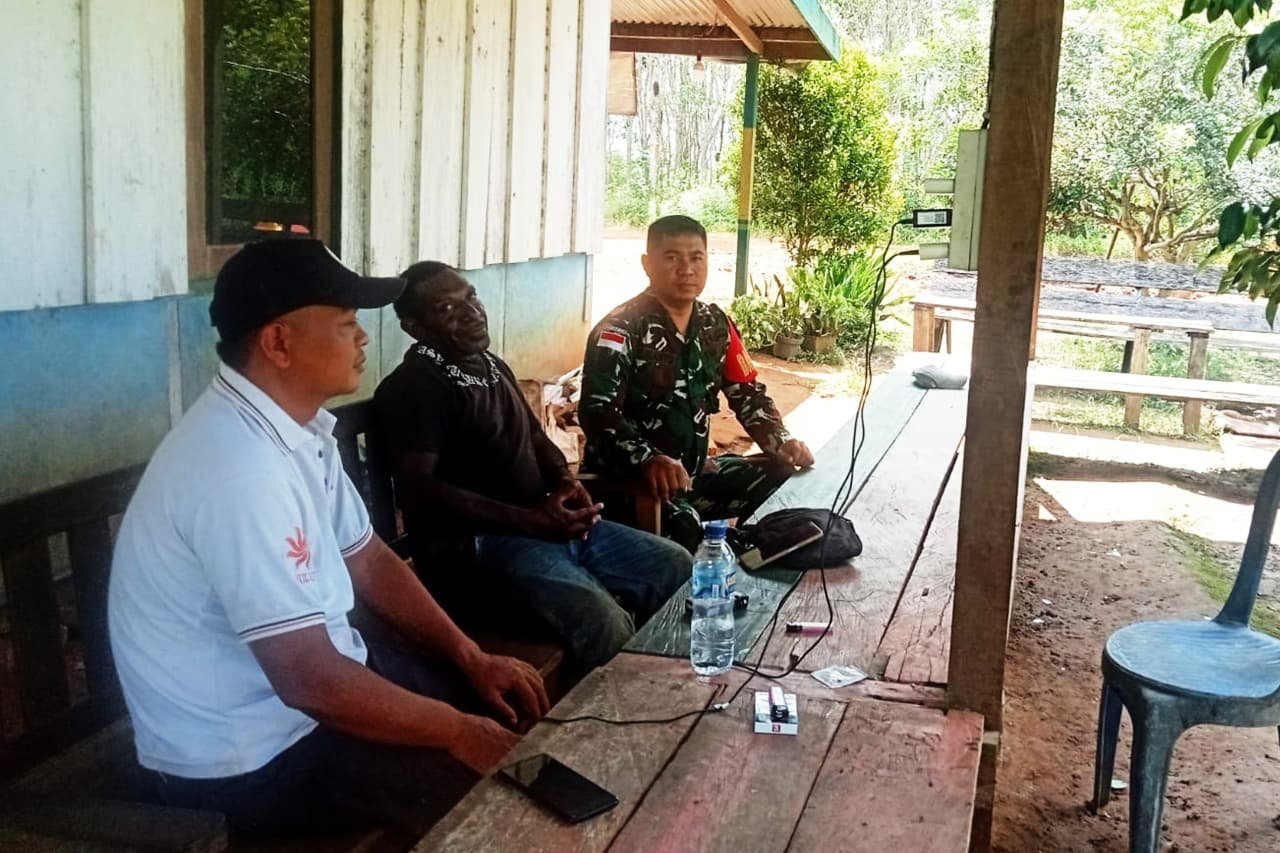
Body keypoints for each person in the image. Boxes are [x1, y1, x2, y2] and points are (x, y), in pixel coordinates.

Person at [108, 240, 549, 839]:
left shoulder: (295, 430)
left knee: (501, 716)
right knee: (499, 805)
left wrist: (469, 655)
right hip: (249, 758)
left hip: (312, 698)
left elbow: (367, 558)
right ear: (278, 342)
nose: (363, 336)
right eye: (345, 322)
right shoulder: (235, 469)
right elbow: (309, 680)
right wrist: (456, 730)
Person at [372, 261, 691, 672]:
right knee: (602, 619)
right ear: (415, 327)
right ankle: (621, 702)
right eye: (447, 309)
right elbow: (420, 489)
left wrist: (565, 481)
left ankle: (670, 678)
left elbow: (537, 437)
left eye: (471, 297)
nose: (472, 313)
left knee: (676, 565)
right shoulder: (416, 386)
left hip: (547, 527)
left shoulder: (489, 364)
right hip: (483, 548)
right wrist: (529, 521)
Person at [580, 215, 816, 551]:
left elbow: (747, 393)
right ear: (647, 264)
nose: (686, 269)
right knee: (687, 529)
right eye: (672, 257)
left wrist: (782, 440)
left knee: (785, 479)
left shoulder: (715, 324)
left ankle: (753, 559)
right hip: (631, 482)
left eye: (696, 257)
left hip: (692, 476)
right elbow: (597, 413)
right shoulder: (619, 329)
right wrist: (648, 459)